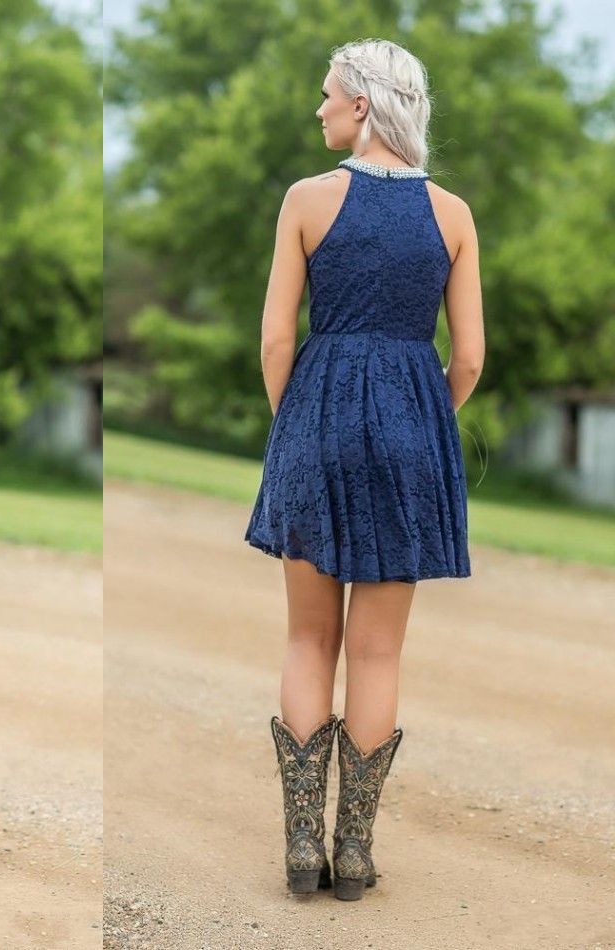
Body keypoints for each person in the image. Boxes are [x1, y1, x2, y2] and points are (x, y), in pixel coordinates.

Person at [244, 38, 484, 901]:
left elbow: (276, 337)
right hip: (414, 428)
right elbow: (470, 357)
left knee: (310, 637)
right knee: (378, 653)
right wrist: (421, 425)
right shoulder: (452, 214)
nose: (318, 109)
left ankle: (301, 850)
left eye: (326, 96)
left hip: (318, 417)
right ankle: (354, 856)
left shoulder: (308, 200)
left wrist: (295, 423)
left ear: (361, 106)